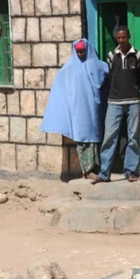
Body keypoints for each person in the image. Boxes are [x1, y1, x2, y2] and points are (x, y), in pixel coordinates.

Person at [40, 39, 108, 180]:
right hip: (79, 111)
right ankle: (87, 171)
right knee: (83, 139)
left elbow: (104, 75)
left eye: (83, 51)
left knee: (95, 139)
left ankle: (95, 168)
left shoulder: (96, 65)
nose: (81, 54)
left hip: (94, 110)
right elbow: (60, 87)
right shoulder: (69, 68)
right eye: (78, 52)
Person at [92, 26, 140, 184]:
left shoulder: (138, 55)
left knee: (133, 137)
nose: (121, 41)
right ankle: (104, 173)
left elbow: (139, 77)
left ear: (129, 37)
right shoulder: (111, 56)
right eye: (119, 38)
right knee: (109, 137)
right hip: (114, 102)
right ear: (116, 38)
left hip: (133, 101)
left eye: (124, 38)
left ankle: (130, 171)